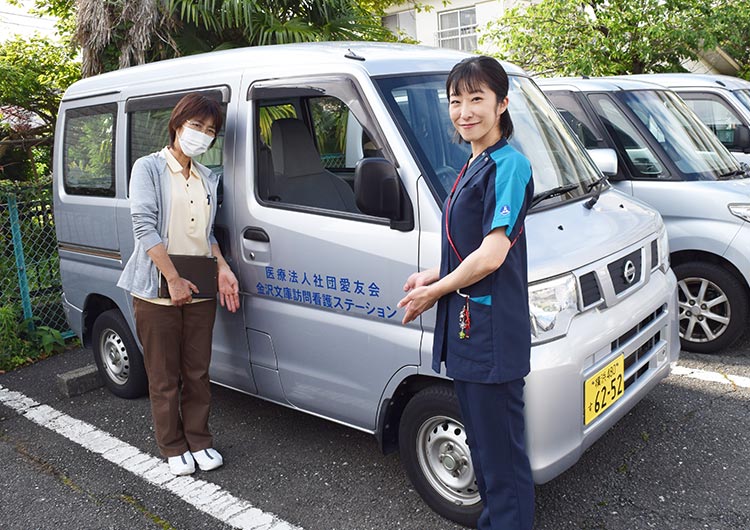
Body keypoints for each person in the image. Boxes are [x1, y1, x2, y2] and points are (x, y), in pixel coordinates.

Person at [398, 56, 535, 530]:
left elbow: (493, 253)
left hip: (491, 334)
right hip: (470, 328)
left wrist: (435, 290)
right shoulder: (474, 161)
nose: (464, 111)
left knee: (501, 461)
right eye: (456, 101)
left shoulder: (510, 165)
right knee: (484, 447)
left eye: (477, 99)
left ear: (502, 103)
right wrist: (431, 275)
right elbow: (467, 247)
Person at [117, 93, 240, 476]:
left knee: (197, 371)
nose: (202, 136)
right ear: (177, 125)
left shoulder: (208, 177)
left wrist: (222, 268)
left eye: (210, 131)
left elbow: (208, 234)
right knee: (164, 374)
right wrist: (173, 279)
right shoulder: (148, 168)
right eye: (196, 127)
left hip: (200, 283)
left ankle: (199, 440)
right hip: (157, 288)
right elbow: (144, 228)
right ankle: (172, 446)